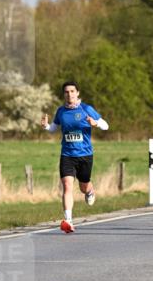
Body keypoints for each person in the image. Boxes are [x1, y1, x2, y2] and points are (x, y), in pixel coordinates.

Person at [42, 81, 109, 233]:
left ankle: (90, 191)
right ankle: (68, 220)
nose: (69, 94)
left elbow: (106, 125)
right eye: (66, 92)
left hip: (85, 155)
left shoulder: (86, 109)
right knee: (67, 186)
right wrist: (46, 126)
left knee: (83, 186)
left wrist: (95, 123)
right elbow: (54, 128)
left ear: (77, 93)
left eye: (72, 91)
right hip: (67, 154)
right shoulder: (61, 111)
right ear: (63, 94)